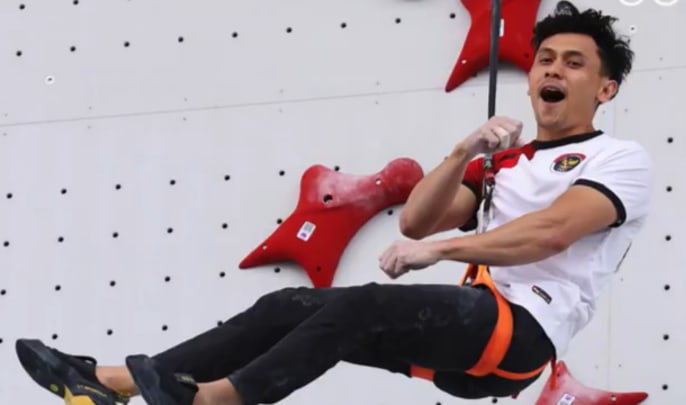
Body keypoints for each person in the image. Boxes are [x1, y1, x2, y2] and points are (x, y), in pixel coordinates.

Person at [14, 2, 652, 405]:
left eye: (574, 63)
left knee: (364, 304)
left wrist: (438, 251)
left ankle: (212, 403)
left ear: (605, 88)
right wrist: (464, 151)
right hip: (466, 335)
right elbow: (417, 218)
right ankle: (109, 381)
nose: (554, 71)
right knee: (286, 306)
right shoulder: (504, 162)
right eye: (546, 59)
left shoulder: (619, 160)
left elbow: (548, 234)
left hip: (520, 335)